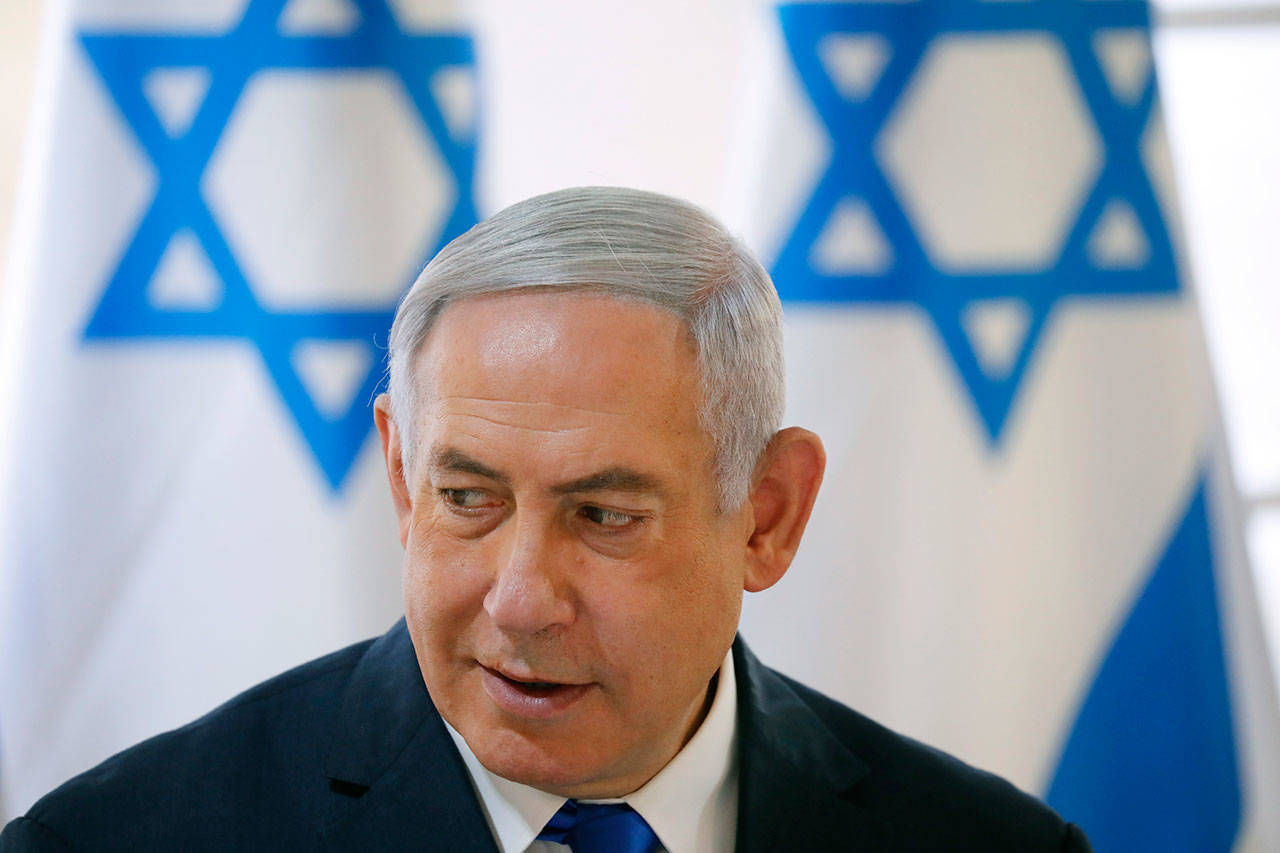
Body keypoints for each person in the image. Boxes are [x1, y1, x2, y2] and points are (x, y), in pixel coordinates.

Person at [1, 187, 1091, 851]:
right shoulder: (115, 842)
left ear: (765, 515)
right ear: (398, 476)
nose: (518, 598)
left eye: (605, 514)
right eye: (466, 499)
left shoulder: (986, 845)